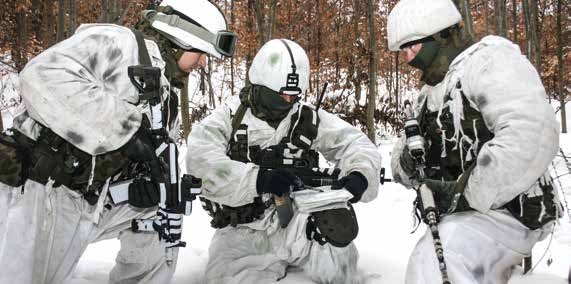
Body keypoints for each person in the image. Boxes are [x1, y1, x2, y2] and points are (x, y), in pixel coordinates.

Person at [0, 0, 236, 283]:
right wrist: (126, 132)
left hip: (90, 199)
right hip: (40, 188)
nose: (202, 62)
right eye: (201, 53)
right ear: (182, 38)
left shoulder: (165, 91)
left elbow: (147, 153)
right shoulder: (120, 42)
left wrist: (144, 186)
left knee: (162, 214)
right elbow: (40, 77)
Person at [387, 0, 562, 283]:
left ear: (440, 36)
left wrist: (463, 193)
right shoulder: (429, 93)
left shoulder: (488, 61)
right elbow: (401, 162)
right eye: (403, 51)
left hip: (508, 212)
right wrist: (407, 162)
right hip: (465, 216)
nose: (408, 59)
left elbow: (530, 135)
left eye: (412, 47)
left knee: (432, 261)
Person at [186, 38, 381, 283]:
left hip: (298, 220)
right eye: (282, 95)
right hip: (244, 229)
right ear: (261, 85)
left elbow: (358, 144)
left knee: (336, 228)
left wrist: (360, 175)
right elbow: (200, 163)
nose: (289, 102)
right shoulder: (227, 118)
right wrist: (259, 180)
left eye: (295, 95)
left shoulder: (305, 117)